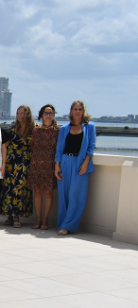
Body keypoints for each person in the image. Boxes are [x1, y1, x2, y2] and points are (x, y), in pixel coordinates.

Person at [55, 101, 96, 236]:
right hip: (65, 162)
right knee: (64, 195)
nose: (77, 111)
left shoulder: (89, 127)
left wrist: (86, 163)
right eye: (75, 109)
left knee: (76, 196)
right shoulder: (64, 129)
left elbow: (91, 147)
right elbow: (59, 149)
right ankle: (63, 224)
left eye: (80, 109)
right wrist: (57, 165)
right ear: (71, 111)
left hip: (80, 163)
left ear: (83, 111)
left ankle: (67, 225)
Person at [1, 104, 35, 228]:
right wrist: (4, 164)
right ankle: (10, 216)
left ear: (28, 114)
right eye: (18, 113)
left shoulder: (34, 129)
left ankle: (17, 216)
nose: (20, 116)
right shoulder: (12, 128)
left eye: (22, 113)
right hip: (12, 163)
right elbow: (4, 146)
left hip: (25, 163)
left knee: (21, 190)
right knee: (10, 189)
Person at [30, 104, 60, 230]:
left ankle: (46, 219)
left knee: (48, 192)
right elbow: (33, 147)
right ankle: (38, 219)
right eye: (46, 113)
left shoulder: (58, 131)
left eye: (50, 113)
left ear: (53, 115)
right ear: (41, 115)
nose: (48, 115)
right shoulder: (36, 130)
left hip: (50, 165)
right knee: (37, 191)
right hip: (37, 164)